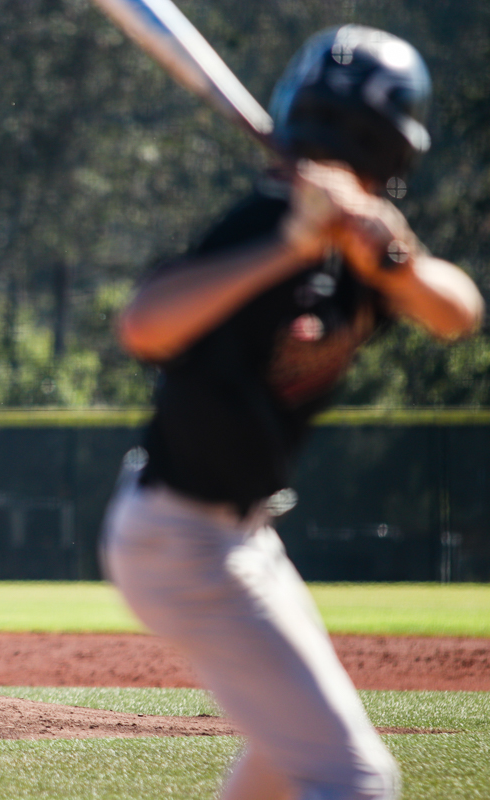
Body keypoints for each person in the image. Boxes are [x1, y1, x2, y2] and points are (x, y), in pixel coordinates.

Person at [103, 26, 483, 800]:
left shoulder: (366, 250)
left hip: (244, 538)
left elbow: (458, 314)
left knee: (286, 763)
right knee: (354, 776)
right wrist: (289, 244)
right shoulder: (265, 222)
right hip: (181, 538)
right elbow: (144, 324)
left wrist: (393, 257)